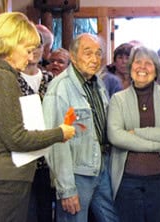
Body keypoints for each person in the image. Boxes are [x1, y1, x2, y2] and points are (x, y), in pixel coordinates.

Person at [0, 12, 75, 222]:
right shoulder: (2, 76)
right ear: (11, 43)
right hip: (3, 182)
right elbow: (16, 138)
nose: (32, 56)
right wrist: (60, 133)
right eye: (27, 49)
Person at [42, 33, 119, 222]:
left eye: (98, 54)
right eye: (88, 53)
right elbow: (55, 143)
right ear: (73, 57)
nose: (94, 59)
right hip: (75, 174)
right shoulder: (59, 88)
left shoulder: (97, 83)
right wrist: (66, 189)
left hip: (100, 167)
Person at [107, 46, 160, 222]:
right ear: (131, 67)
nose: (142, 67)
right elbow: (115, 136)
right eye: (138, 62)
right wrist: (157, 145)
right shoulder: (118, 99)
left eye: (148, 64)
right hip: (126, 182)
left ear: (156, 70)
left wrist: (136, 133)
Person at [17, 29, 56, 222]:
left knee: (45, 214)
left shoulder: (52, 80)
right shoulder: (9, 79)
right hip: (19, 160)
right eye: (28, 45)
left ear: (44, 49)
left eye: (38, 45)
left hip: (48, 161)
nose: (34, 50)